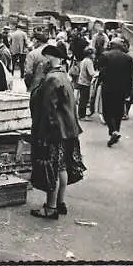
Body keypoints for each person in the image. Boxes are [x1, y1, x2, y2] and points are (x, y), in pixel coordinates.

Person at [29, 45, 85, 219]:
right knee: (61, 166)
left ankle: (51, 207)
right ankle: (60, 202)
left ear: (48, 59)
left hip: (55, 131)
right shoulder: (63, 75)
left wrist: (44, 134)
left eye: (44, 58)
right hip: (67, 130)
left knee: (51, 167)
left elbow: (48, 110)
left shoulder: (50, 79)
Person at [99, 38, 133, 147]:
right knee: (118, 111)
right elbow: (130, 76)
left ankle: (113, 131)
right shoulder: (128, 58)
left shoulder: (105, 55)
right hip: (122, 89)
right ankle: (116, 130)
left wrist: (100, 82)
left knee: (107, 111)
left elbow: (101, 71)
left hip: (108, 88)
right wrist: (129, 90)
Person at [77, 47, 97, 120]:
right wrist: (98, 74)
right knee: (84, 100)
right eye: (93, 54)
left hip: (81, 81)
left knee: (82, 99)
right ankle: (82, 115)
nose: (94, 55)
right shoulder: (89, 62)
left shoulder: (83, 60)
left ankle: (81, 114)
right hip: (86, 82)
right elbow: (91, 73)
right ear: (90, 54)